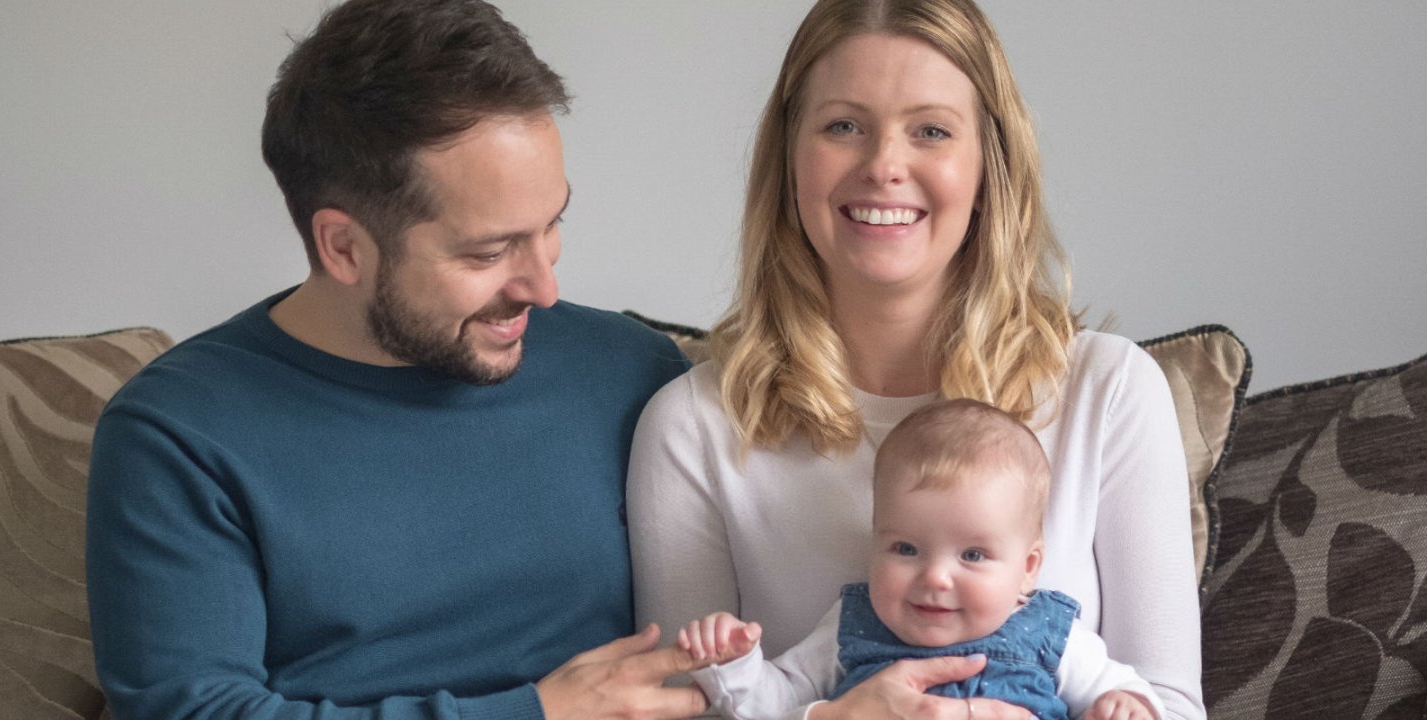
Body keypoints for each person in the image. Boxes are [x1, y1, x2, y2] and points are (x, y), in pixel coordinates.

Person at [85, 1, 708, 718]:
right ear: (343, 247)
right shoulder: (180, 433)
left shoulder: (632, 374)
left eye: (552, 225)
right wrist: (535, 714)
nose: (544, 287)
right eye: (488, 250)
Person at [626, 0, 1207, 718]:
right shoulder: (693, 427)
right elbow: (682, 708)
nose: (883, 167)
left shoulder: (1111, 392)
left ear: (988, 165)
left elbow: (1170, 708)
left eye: (931, 130)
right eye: (843, 126)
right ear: (789, 156)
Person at [675, 399, 1164, 720]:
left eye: (973, 554)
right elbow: (777, 704)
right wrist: (734, 664)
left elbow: (1135, 695)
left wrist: (1126, 707)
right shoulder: (854, 624)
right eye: (905, 549)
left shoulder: (1052, 634)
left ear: (1028, 568)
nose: (934, 577)